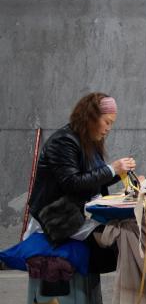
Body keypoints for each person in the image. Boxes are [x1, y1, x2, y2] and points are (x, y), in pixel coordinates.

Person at [27, 93, 137, 273]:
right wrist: (112, 169)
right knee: (123, 238)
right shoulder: (63, 142)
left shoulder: (89, 140)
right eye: (107, 122)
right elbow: (72, 183)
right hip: (56, 217)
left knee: (130, 228)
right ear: (91, 118)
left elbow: (93, 178)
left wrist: (121, 173)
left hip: (78, 210)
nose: (108, 129)